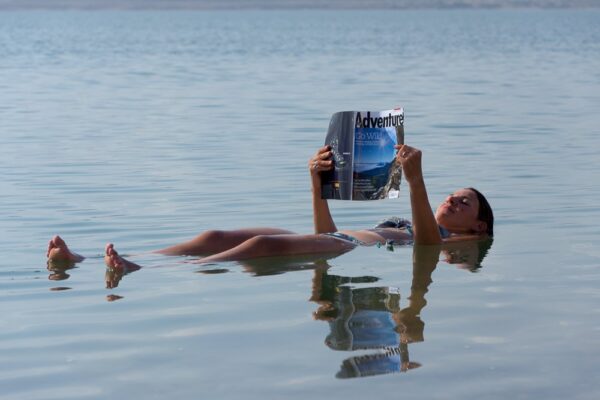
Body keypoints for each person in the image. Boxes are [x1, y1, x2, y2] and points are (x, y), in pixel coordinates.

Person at [46, 144, 494, 270]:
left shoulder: (447, 242)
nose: (453, 198)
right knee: (213, 237)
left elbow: (425, 251)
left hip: (344, 249)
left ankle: (141, 271)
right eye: (453, 193)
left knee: (260, 244)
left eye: (465, 201)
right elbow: (326, 229)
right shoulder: (420, 225)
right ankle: (91, 258)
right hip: (337, 240)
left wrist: (416, 180)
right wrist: (316, 181)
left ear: (477, 228)